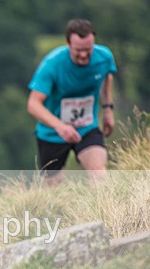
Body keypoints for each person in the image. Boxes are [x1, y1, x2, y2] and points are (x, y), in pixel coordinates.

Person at [27, 19, 117, 183]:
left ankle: (105, 208)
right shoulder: (52, 64)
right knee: (52, 187)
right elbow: (33, 105)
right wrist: (60, 126)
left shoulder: (103, 57)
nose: (83, 55)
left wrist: (108, 109)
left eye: (88, 50)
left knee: (99, 174)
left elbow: (107, 77)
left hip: (86, 127)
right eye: (78, 50)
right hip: (52, 133)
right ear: (68, 44)